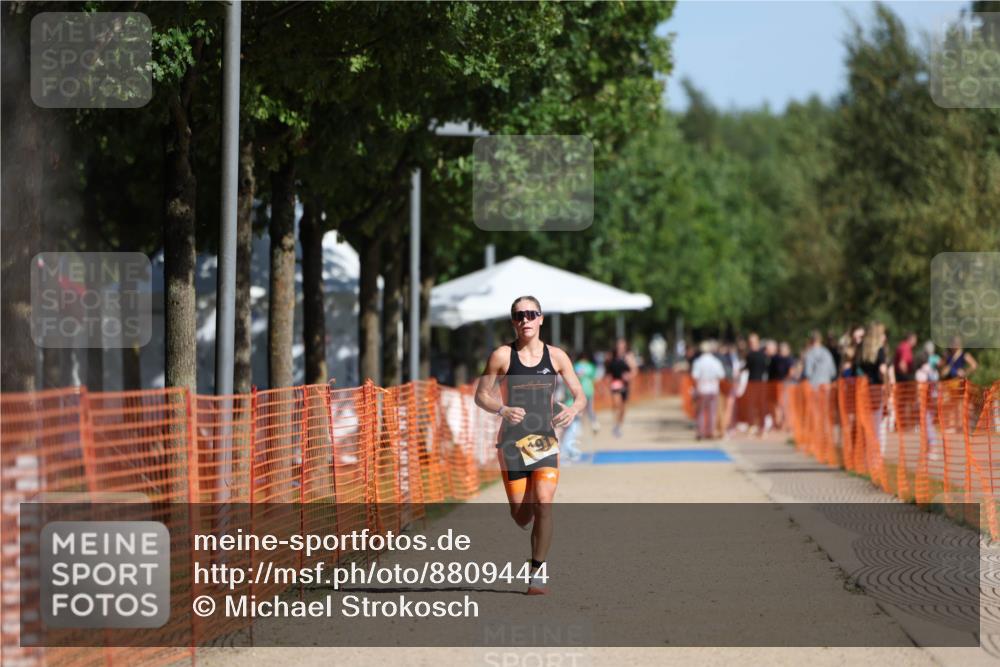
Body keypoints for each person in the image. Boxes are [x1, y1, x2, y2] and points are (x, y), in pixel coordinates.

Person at [474, 296, 586, 595]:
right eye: (519, 315)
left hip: (543, 440)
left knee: (544, 503)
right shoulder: (502, 356)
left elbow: (580, 396)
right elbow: (481, 395)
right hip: (511, 444)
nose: (525, 320)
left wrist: (573, 410)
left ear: (541, 318)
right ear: (513, 321)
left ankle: (537, 572)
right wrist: (502, 409)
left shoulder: (557, 357)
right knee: (521, 516)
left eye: (531, 314)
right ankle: (530, 524)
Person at [691, 340, 726, 440]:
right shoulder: (715, 361)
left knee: (701, 412)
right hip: (713, 389)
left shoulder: (698, 362)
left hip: (702, 389)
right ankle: (710, 431)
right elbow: (721, 375)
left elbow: (695, 376)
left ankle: (701, 432)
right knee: (712, 411)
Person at [606, 338, 638, 438]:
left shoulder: (628, 356)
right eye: (619, 345)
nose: (620, 348)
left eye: (622, 346)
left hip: (625, 385)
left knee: (623, 408)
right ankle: (615, 424)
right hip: (615, 383)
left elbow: (634, 370)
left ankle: (618, 425)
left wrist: (629, 376)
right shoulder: (612, 356)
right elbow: (608, 369)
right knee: (617, 404)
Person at [744, 333, 769, 436]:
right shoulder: (749, 355)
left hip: (761, 383)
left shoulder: (763, 355)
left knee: (761, 405)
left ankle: (762, 427)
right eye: (750, 342)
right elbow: (746, 367)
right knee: (751, 405)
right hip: (751, 382)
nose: (751, 344)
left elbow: (767, 369)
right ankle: (752, 425)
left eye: (752, 342)